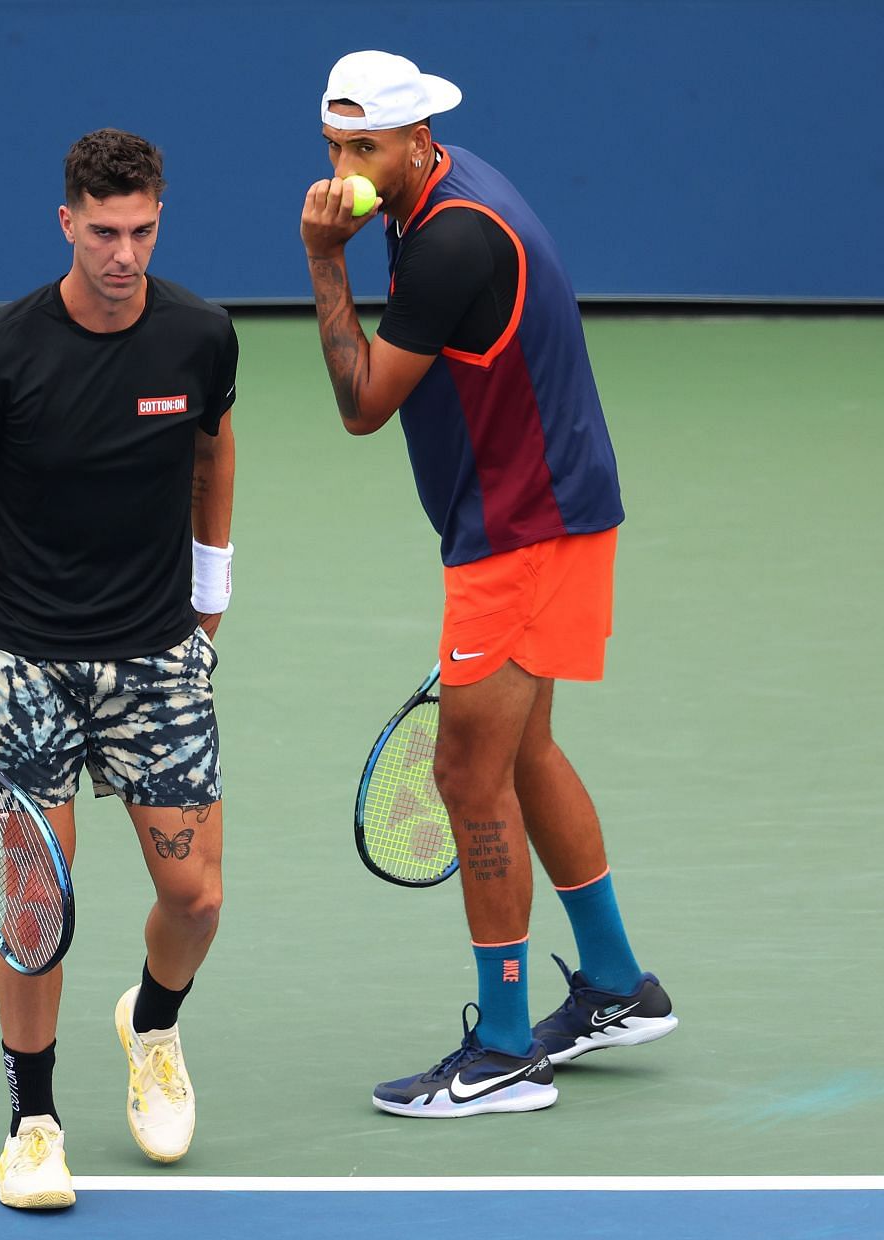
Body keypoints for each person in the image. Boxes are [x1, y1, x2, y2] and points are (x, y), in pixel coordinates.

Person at [300, 51, 677, 1118]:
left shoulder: (451, 240)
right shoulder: (443, 195)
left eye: (363, 147)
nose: (344, 168)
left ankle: (506, 1046)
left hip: (520, 532)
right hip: (550, 512)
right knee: (527, 749)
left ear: (418, 142)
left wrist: (323, 259)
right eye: (333, 146)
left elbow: (363, 402)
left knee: (470, 778)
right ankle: (614, 983)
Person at [0, 128, 238, 1205]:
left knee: (194, 896)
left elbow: (212, 448)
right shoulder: (1, 350)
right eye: (104, 231)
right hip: (23, 661)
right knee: (35, 910)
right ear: (67, 223)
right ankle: (34, 1119)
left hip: (156, 655)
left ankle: (150, 1024)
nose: (124, 253)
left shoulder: (200, 335)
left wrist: (212, 590)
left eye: (143, 229)